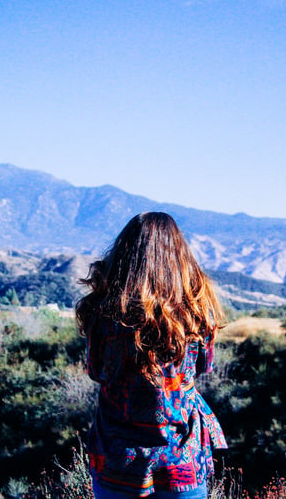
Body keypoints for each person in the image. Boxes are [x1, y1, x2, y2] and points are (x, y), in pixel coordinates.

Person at [75, 212, 227, 498]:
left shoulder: (103, 314)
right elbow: (205, 366)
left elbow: (96, 371)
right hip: (181, 452)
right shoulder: (196, 315)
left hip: (117, 456)